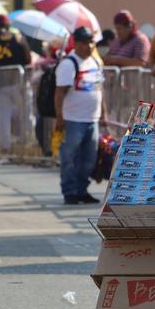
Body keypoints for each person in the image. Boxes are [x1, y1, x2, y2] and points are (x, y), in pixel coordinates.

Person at [55, 26, 106, 205]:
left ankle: (81, 190)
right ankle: (69, 192)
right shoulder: (69, 64)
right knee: (69, 157)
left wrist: (104, 113)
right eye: (84, 43)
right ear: (75, 44)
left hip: (92, 119)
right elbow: (59, 93)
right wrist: (60, 117)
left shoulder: (95, 62)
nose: (88, 46)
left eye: (91, 42)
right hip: (73, 119)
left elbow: (100, 89)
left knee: (89, 159)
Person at [0, 14, 33, 159]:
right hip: (17, 80)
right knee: (26, 112)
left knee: (3, 115)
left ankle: (5, 147)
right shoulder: (17, 37)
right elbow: (28, 59)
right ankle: (27, 141)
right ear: (7, 26)